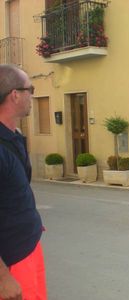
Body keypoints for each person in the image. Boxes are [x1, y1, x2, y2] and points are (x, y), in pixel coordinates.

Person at [0, 64, 47, 299]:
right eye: (31, 89)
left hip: (29, 245)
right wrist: (2, 277)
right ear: (15, 95)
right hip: (12, 260)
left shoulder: (13, 136)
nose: (32, 95)